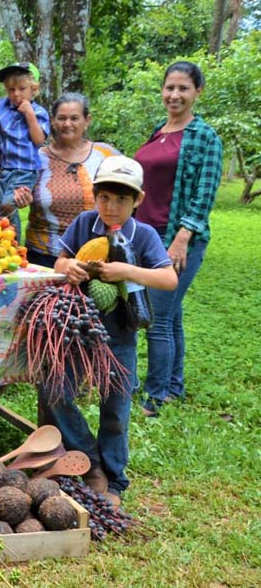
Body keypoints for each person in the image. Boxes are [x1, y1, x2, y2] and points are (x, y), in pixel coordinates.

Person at [51, 155, 177, 506]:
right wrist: (70, 266)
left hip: (120, 332)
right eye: (105, 197)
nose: (112, 206)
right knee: (54, 390)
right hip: (77, 327)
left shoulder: (144, 234)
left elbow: (168, 278)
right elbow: (59, 260)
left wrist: (127, 271)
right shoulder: (83, 223)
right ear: (95, 196)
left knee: (116, 407)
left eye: (122, 199)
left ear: (138, 200)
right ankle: (87, 459)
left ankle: (115, 478)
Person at [133, 61, 223, 417]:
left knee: (157, 318)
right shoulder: (160, 131)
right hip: (149, 235)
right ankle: (172, 386)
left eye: (183, 88)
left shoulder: (203, 136)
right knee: (171, 316)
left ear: (197, 92)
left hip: (175, 238)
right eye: (170, 87)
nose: (174, 95)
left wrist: (182, 238)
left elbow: (204, 194)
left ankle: (154, 398)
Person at [20, 93, 121, 267]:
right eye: (62, 118)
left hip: (95, 256)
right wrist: (20, 197)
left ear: (87, 120)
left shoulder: (106, 154)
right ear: (53, 121)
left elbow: (126, 197)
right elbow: (17, 191)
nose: (67, 124)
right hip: (44, 256)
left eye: (74, 118)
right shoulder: (37, 158)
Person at [0, 62, 50, 232]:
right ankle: (9, 241)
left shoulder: (39, 112)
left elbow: (39, 140)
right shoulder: (1, 106)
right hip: (5, 169)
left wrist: (29, 114)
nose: (16, 94)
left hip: (25, 170)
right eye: (11, 89)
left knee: (7, 205)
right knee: (3, 206)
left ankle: (6, 239)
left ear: (33, 89)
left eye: (22, 88)